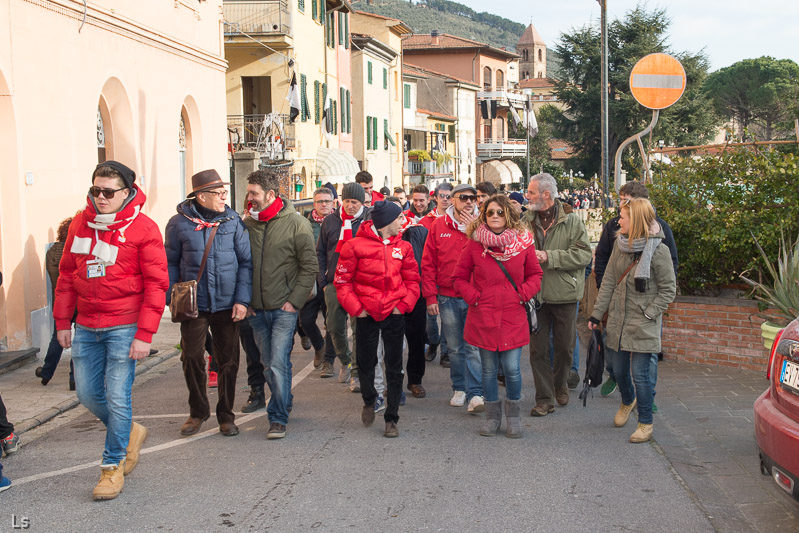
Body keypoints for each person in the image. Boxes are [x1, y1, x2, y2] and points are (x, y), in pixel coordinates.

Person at [55, 161, 169, 500]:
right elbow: (65, 276)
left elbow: (157, 284)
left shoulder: (144, 228)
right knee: (87, 395)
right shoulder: (80, 223)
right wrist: (63, 322)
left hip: (125, 325)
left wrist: (145, 335)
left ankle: (111, 467)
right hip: (87, 325)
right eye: (96, 190)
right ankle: (130, 433)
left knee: (118, 397)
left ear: (127, 192)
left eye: (108, 192)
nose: (101, 197)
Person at [165, 169, 252, 438]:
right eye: (219, 193)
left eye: (224, 192)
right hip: (195, 303)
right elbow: (169, 262)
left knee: (229, 361)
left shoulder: (233, 221)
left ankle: (226, 415)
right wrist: (171, 294)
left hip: (228, 303)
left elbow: (246, 263)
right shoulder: (178, 224)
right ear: (201, 196)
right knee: (191, 357)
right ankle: (198, 411)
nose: (225, 196)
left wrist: (242, 300)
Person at [454, 195, 543, 437]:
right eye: (490, 212)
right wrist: (474, 297)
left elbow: (535, 275)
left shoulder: (524, 243)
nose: (495, 216)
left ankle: (513, 416)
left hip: (513, 315)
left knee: (513, 369)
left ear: (509, 215)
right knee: (488, 370)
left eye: (500, 212)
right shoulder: (474, 244)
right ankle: (492, 417)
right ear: (484, 216)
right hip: (483, 315)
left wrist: (522, 294)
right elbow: (459, 278)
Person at [588, 197, 676, 443]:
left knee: (641, 376)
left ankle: (645, 423)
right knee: (617, 369)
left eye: (623, 217)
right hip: (617, 318)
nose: (619, 220)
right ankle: (627, 400)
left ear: (635, 220)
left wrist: (649, 313)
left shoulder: (659, 250)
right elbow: (607, 283)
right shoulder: (620, 244)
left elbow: (668, 290)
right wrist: (597, 314)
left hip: (643, 322)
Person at [335, 201, 420, 438]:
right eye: (399, 218)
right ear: (386, 222)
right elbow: (342, 282)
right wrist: (357, 309)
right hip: (366, 314)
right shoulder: (353, 246)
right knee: (365, 363)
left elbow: (413, 280)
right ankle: (369, 399)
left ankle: (391, 418)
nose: (403, 221)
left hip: (394, 313)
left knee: (394, 367)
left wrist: (402, 306)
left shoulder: (404, 247)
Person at [244, 170, 318, 440]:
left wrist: (294, 302)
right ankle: (284, 399)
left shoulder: (297, 224)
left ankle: (277, 418)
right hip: (256, 309)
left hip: (284, 308)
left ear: (271, 195)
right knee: (269, 362)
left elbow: (309, 266)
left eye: (254, 193)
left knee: (276, 361)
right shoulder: (248, 225)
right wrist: (245, 301)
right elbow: (243, 266)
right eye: (249, 192)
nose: (249, 198)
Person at [595, 181, 679, 397]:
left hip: (645, 307)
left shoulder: (661, 230)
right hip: (619, 302)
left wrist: (651, 310)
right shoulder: (615, 228)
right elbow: (603, 258)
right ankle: (616, 378)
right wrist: (605, 290)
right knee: (613, 350)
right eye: (621, 200)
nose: (621, 206)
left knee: (646, 359)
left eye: (626, 202)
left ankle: (646, 396)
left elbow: (670, 266)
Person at [522, 173, 591, 417]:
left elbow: (584, 256)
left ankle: (560, 383)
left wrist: (550, 256)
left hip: (564, 295)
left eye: (530, 192)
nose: (526, 196)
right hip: (535, 296)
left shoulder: (572, 222)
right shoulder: (524, 220)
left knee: (564, 348)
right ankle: (544, 399)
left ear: (546, 195)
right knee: (537, 351)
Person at [422, 183, 484, 413]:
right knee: (456, 347)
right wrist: (430, 296)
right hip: (447, 296)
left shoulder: (484, 224)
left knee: (474, 346)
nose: (469, 201)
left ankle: (476, 392)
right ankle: (460, 388)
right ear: (453, 200)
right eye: (464, 198)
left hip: (475, 296)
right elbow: (428, 262)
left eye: (473, 198)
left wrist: (475, 232)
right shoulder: (439, 225)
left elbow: (493, 255)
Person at [317, 182, 370, 388]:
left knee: (359, 328)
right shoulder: (331, 221)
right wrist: (322, 279)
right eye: (347, 201)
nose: (350, 206)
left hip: (359, 283)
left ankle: (356, 371)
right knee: (334, 326)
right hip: (334, 282)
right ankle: (346, 361)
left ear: (362, 202)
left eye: (355, 202)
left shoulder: (368, 220)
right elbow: (320, 251)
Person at [387, 196, 429, 399]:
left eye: (399, 213)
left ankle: (415, 380)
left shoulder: (419, 230)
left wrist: (426, 293)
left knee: (416, 339)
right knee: (392, 342)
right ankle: (393, 382)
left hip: (415, 294)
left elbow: (426, 262)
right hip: (390, 296)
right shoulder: (381, 236)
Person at [37, 215, 76, 390]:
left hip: (59, 301)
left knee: (57, 338)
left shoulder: (51, 252)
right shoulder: (76, 251)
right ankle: (74, 378)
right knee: (81, 338)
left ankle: (46, 373)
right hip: (78, 301)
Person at [300, 188, 337, 370]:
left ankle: (328, 360)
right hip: (310, 279)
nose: (323, 204)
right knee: (305, 320)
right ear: (314, 204)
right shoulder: (305, 223)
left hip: (330, 280)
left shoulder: (338, 222)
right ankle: (319, 346)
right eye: (320, 201)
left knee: (331, 322)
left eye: (327, 201)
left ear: (333, 203)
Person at [420, 182, 453, 365]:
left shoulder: (458, 220)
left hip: (449, 277)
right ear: (436, 198)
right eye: (443, 196)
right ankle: (433, 342)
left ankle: (446, 352)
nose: (446, 200)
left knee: (449, 319)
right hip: (432, 275)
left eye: (449, 196)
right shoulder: (426, 221)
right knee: (431, 318)